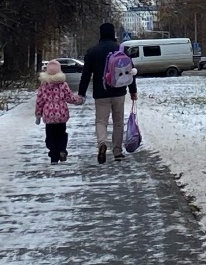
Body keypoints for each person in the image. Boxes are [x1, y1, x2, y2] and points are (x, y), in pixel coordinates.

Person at [78, 22, 137, 163]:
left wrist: (81, 93)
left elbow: (85, 75)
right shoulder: (121, 49)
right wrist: (133, 91)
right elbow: (130, 72)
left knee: (101, 121)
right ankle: (117, 152)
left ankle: (102, 143)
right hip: (119, 92)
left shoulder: (93, 51)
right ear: (113, 33)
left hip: (101, 93)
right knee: (118, 122)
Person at [35, 60, 85, 164]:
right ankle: (62, 150)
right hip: (61, 114)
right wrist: (80, 100)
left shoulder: (44, 85)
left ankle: (54, 156)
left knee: (50, 137)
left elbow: (40, 101)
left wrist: (38, 114)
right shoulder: (63, 85)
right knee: (62, 134)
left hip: (49, 116)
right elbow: (69, 97)